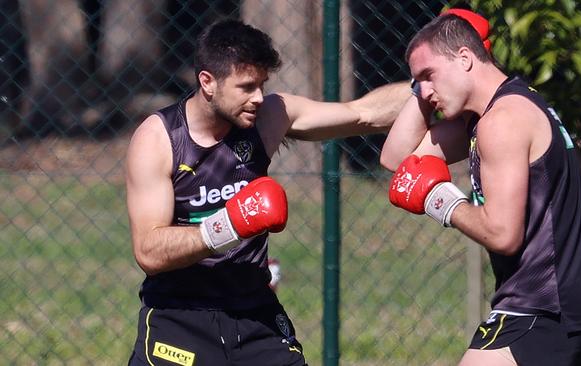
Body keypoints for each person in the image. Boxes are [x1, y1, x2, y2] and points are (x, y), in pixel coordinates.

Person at [125, 19, 409, 366]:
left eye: (262, 84)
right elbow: (149, 251)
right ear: (207, 82)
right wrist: (229, 224)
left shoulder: (268, 117)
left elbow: (363, 114)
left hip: (254, 313)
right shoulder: (159, 139)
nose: (258, 97)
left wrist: (433, 81)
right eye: (245, 87)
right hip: (181, 317)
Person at [381, 10, 581, 366]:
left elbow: (503, 234)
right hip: (577, 314)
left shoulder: (501, 122)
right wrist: (421, 85)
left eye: (429, 76)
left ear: (464, 58)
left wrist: (440, 200)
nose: (426, 91)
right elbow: (399, 159)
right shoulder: (503, 110)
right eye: (418, 82)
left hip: (541, 313)